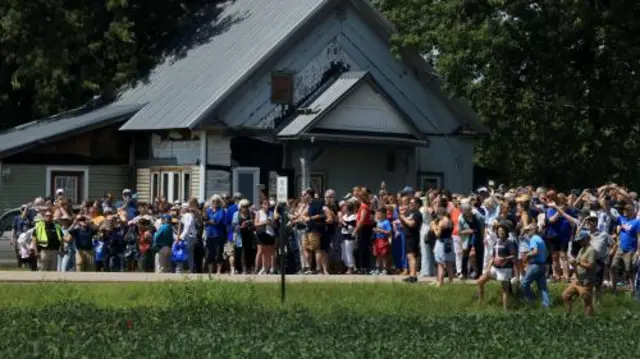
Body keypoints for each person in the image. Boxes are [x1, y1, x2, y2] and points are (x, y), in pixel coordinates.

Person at [476, 221, 516, 311]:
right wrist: (487, 268)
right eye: (499, 230)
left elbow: (513, 255)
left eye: (502, 230)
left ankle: (505, 309)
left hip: (505, 269)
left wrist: (505, 258)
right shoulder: (496, 243)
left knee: (504, 289)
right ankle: (480, 301)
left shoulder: (509, 242)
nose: (500, 232)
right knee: (480, 282)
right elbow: (493, 257)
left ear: (506, 232)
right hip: (495, 267)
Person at [562, 231, 596, 316]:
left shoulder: (591, 250)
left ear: (587, 239)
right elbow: (577, 263)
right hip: (577, 280)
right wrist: (572, 263)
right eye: (579, 241)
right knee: (565, 295)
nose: (580, 242)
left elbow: (591, 266)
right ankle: (568, 314)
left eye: (581, 240)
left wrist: (578, 262)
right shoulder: (581, 250)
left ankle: (589, 320)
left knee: (586, 301)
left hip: (586, 281)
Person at [521, 223, 551, 308]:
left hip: (535, 265)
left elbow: (535, 252)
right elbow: (547, 252)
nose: (527, 232)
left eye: (529, 230)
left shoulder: (533, 239)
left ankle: (532, 300)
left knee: (524, 283)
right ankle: (546, 306)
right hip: (542, 265)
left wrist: (527, 256)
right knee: (543, 287)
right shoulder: (540, 239)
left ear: (532, 230)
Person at [399, 197, 422, 283]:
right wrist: (402, 217)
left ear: (418, 205)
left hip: (413, 237)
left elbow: (411, 224)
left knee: (411, 257)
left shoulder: (417, 214)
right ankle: (412, 275)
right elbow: (405, 223)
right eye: (410, 203)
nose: (410, 204)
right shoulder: (412, 213)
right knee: (409, 257)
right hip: (409, 236)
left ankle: (413, 276)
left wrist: (402, 217)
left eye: (413, 203)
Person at [433, 207, 455, 286]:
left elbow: (437, 234)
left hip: (441, 243)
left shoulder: (441, 222)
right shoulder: (450, 221)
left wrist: (434, 227)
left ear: (440, 214)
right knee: (449, 264)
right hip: (449, 242)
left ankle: (440, 283)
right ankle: (451, 282)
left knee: (440, 264)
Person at [205, 195, 226, 275]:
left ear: (219, 202)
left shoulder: (221, 211)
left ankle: (218, 271)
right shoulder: (208, 211)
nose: (215, 202)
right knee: (210, 253)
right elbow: (205, 221)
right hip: (209, 235)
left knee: (218, 253)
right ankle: (210, 271)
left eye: (217, 201)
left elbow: (218, 221)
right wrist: (209, 222)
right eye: (213, 201)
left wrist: (209, 222)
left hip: (218, 235)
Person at [255, 199, 276, 275]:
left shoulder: (271, 213)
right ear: (262, 205)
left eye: (268, 204)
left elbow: (274, 225)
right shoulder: (258, 213)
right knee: (260, 251)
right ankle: (257, 268)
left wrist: (271, 224)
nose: (267, 205)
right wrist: (264, 222)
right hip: (261, 233)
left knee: (269, 252)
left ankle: (267, 268)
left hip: (270, 233)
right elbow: (256, 224)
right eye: (265, 203)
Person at [372, 207, 392, 275]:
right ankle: (377, 268)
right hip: (377, 240)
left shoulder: (386, 222)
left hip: (383, 240)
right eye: (377, 214)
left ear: (383, 214)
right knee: (377, 255)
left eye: (379, 214)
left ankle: (385, 269)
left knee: (383, 255)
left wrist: (380, 230)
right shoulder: (378, 222)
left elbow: (389, 232)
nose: (377, 215)